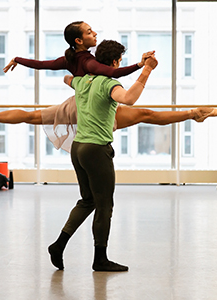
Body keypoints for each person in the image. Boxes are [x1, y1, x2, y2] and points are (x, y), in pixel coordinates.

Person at [0, 21, 217, 152]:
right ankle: (191, 114)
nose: (93, 33)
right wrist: (143, 67)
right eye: (89, 31)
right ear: (79, 40)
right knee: (146, 114)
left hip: (77, 105)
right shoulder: (92, 64)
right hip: (97, 109)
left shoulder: (71, 59)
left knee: (31, 116)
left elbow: (44, 65)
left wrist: (18, 60)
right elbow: (113, 75)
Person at [47, 39, 158, 272]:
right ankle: (100, 259)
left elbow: (67, 78)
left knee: (88, 200)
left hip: (78, 148)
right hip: (96, 149)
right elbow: (128, 99)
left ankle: (58, 245)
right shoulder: (109, 84)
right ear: (116, 62)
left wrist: (75, 78)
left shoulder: (81, 81)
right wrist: (146, 70)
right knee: (104, 204)